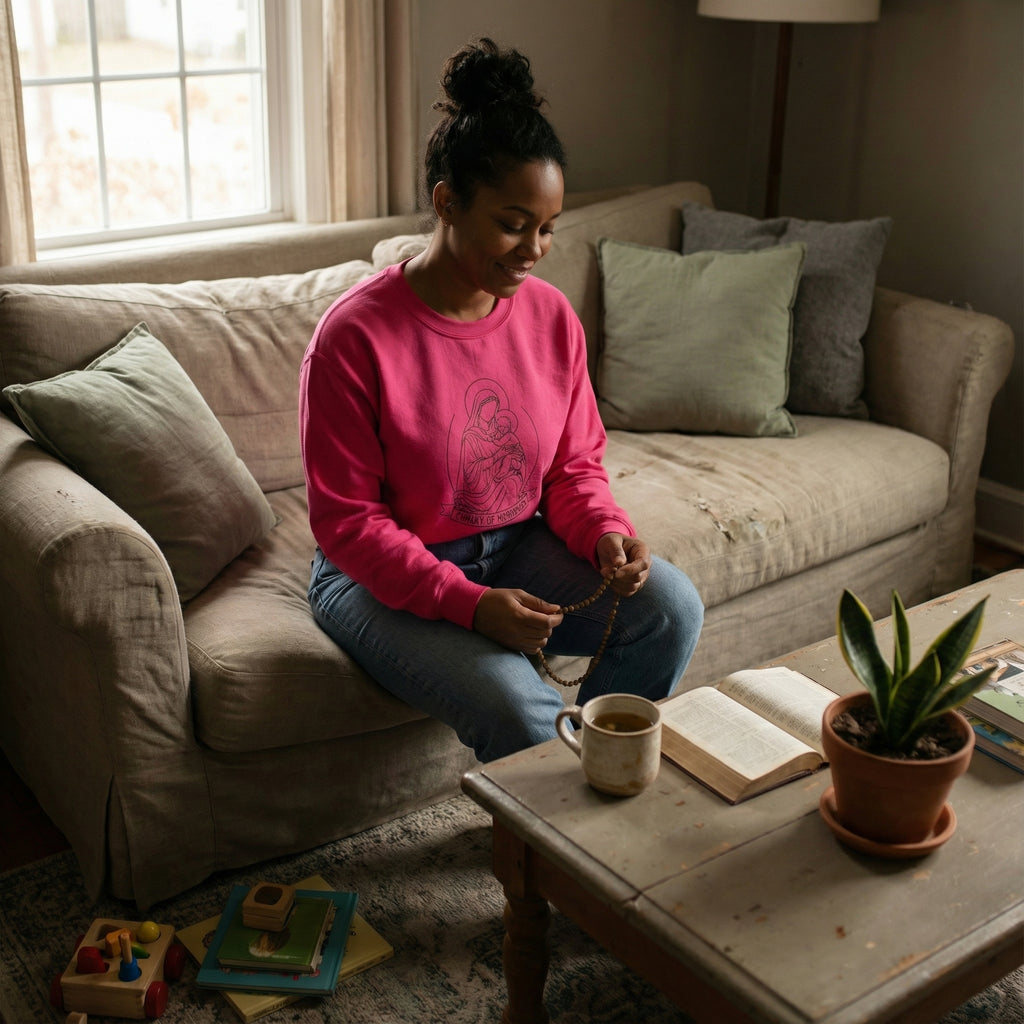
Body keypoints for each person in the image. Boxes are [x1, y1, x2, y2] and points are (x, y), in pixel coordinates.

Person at [299, 38, 703, 763]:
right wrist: (470, 606)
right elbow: (349, 525)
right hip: (374, 578)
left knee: (669, 611)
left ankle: (597, 796)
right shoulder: (354, 338)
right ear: (447, 202)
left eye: (547, 228)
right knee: (523, 711)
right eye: (513, 224)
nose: (534, 248)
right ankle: (551, 845)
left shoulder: (550, 317)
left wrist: (604, 532)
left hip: (515, 544)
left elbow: (574, 469)